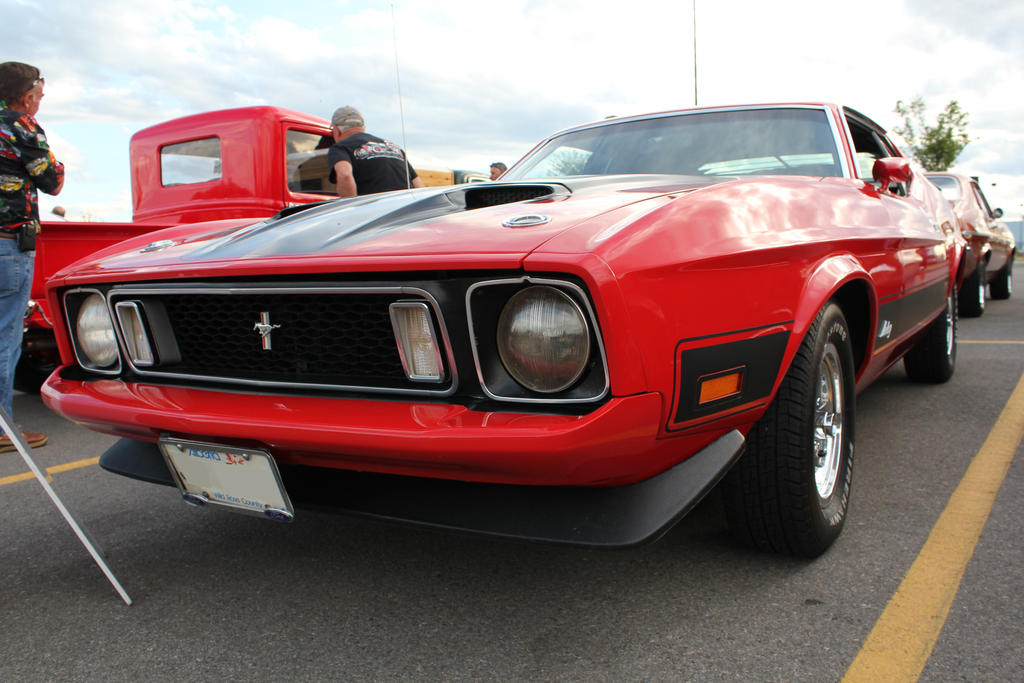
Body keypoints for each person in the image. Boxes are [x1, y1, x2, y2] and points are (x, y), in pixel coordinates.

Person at [0, 62, 64, 453]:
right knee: (6, 338)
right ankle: (3, 428)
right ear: (26, 97)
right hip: (7, 243)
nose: (39, 101)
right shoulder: (21, 125)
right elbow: (53, 180)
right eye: (39, 95)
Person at [326, 106, 424, 197]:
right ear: (363, 127)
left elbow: (345, 175)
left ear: (336, 129)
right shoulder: (394, 148)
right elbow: (418, 185)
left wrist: (350, 210)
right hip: (403, 210)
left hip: (375, 212)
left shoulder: (340, 148)